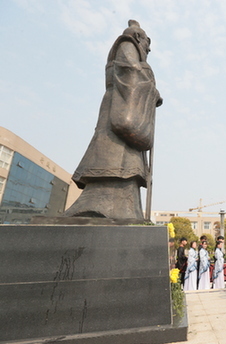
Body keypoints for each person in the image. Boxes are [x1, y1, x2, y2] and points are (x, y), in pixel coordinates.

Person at [65, 20, 163, 220]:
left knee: (127, 163)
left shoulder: (130, 50)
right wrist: (152, 90)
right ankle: (100, 204)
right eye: (146, 42)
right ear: (138, 38)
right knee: (115, 156)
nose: (148, 47)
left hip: (122, 104)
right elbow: (131, 73)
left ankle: (122, 207)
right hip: (119, 108)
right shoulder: (127, 46)